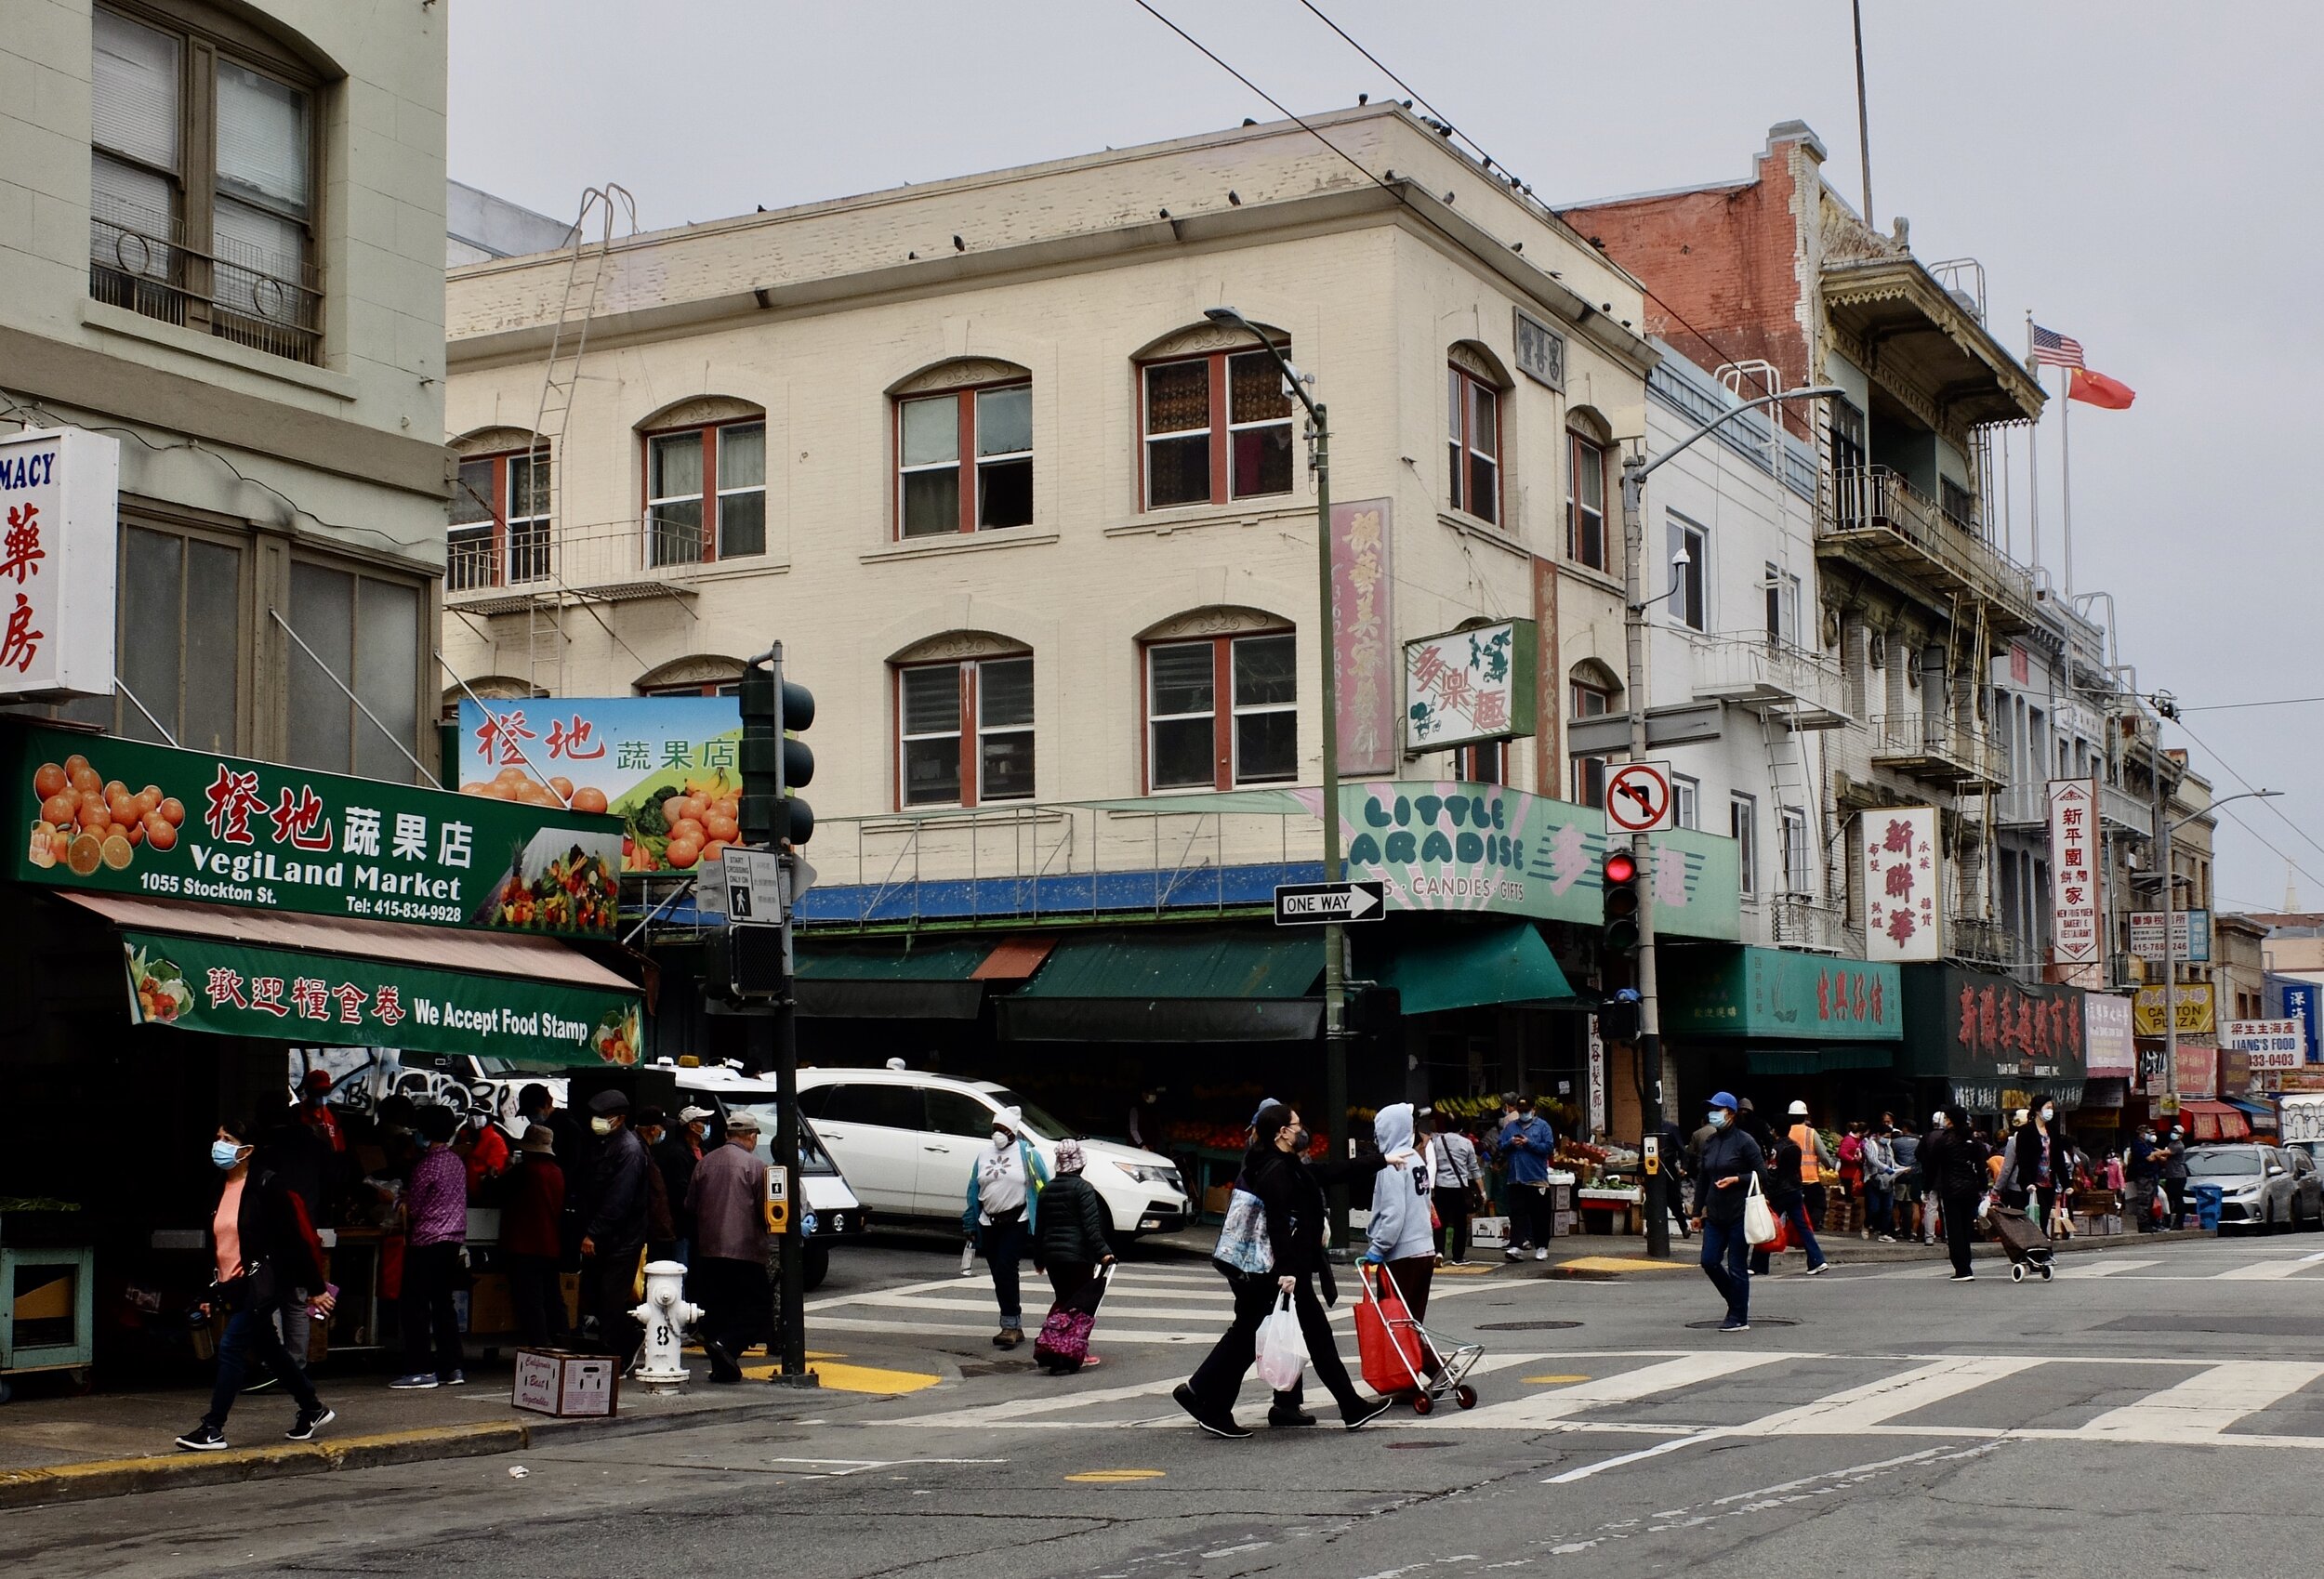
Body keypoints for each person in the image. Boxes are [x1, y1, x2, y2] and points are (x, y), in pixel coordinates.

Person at [1177, 1102, 1393, 1437]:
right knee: (1251, 1337)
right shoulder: (1275, 1169)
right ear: (1282, 1132)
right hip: (1277, 1273)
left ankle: (1350, 1406)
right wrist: (1288, 1272)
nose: (1301, 1128)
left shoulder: (1284, 1163)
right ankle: (1208, 1401)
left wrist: (1381, 1160)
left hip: (1280, 1271)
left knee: (1274, 1336)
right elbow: (1277, 1224)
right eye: (1296, 1124)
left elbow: (1327, 1172)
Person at [175, 1119, 337, 1451]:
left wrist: (316, 1287)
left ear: (246, 1150)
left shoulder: (267, 1186)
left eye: (227, 1139)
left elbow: (294, 1241)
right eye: (217, 1137)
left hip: (264, 1285)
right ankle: (312, 1407)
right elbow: (219, 1245)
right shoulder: (217, 1187)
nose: (218, 1144)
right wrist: (209, 1292)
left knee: (232, 1346)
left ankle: (213, 1427)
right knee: (270, 1350)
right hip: (232, 1285)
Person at [685, 1110, 771, 1384]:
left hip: (709, 1248)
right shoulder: (755, 1166)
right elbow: (766, 1210)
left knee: (720, 1307)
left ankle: (723, 1366)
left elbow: (690, 1205)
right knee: (758, 1307)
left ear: (727, 1135)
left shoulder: (705, 1163)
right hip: (744, 1249)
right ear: (750, 1136)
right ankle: (727, 1346)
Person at [390, 1105, 468, 1388]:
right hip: (452, 1242)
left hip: (425, 1242)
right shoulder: (455, 1162)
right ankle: (453, 1367)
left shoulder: (427, 1165)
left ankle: (420, 1369)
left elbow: (416, 1208)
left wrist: (398, 1200)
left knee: (416, 1306)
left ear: (425, 1131)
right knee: (443, 1304)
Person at [1361, 1103, 1440, 1377]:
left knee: (1397, 1322)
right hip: (1424, 1250)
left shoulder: (1392, 1164)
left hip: (1402, 1254)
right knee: (1411, 1321)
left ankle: (1433, 1370)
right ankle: (1410, 1377)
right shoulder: (1415, 1159)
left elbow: (1393, 1214)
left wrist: (1378, 1247)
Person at [963, 1108, 1049, 1349]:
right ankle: (1013, 1324)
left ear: (1013, 1132)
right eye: (995, 1129)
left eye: (1003, 1130)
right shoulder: (982, 1154)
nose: (998, 1134)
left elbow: (1043, 1187)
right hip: (988, 1222)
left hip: (1017, 1221)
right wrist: (970, 1222)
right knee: (998, 1274)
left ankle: (1010, 1325)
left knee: (1005, 1268)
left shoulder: (1028, 1155)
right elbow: (972, 1190)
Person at [1031, 1138, 1116, 1375]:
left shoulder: (1046, 1190)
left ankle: (1050, 1344)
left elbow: (1040, 1228)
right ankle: (1073, 1349)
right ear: (1079, 1164)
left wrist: (1039, 1258)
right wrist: (1104, 1253)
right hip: (1079, 1256)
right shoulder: (1084, 1188)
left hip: (1053, 1256)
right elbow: (1091, 1227)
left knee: (1062, 1300)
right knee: (1079, 1304)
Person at [580, 1088, 651, 1368]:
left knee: (612, 1300)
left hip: (622, 1239)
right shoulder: (604, 1143)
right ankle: (620, 1345)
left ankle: (619, 1354)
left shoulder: (629, 1150)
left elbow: (618, 1200)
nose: (597, 1121)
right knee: (599, 1298)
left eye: (603, 1117)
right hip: (610, 1237)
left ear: (619, 1119)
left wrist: (593, 1232)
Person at [1688, 1092, 1765, 1334]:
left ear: (1730, 1113)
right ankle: (1737, 1300)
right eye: (1710, 1108)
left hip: (1739, 1213)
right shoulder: (1710, 1143)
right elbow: (1703, 1179)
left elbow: (1762, 1175)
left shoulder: (1745, 1142)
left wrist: (1737, 1179)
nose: (1713, 1113)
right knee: (1709, 1261)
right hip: (1715, 1214)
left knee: (1737, 1265)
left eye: (1717, 1109)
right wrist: (1696, 1212)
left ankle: (1738, 1316)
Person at [502, 1124, 566, 1349]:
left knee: (530, 1297)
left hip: (524, 1242)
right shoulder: (556, 1172)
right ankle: (560, 1335)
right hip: (550, 1242)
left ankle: (540, 1341)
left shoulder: (525, 1171)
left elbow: (497, 1190)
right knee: (551, 1293)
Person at [1750, 1119, 1827, 1276]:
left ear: (1775, 1131)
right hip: (1795, 1190)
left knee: (1768, 1226)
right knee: (1803, 1227)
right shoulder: (1795, 1146)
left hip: (1780, 1193)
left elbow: (1772, 1173)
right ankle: (1817, 1260)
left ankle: (1759, 1264)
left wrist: (1767, 1194)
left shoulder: (1776, 1149)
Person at [1920, 1110, 1987, 1282]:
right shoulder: (1974, 1141)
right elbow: (1980, 1168)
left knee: (1955, 1230)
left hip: (1950, 1188)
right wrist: (1983, 1188)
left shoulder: (1944, 1141)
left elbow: (1932, 1167)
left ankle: (1962, 1268)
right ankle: (1967, 1265)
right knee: (1966, 1228)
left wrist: (1926, 1189)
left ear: (1950, 1121)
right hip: (1970, 1189)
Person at [1494, 1094, 1556, 1261]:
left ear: (1533, 1110)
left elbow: (1548, 1148)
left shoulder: (1543, 1127)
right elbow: (1501, 1146)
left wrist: (1529, 1143)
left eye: (1526, 1110)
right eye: (1521, 1110)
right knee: (1517, 1214)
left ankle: (1542, 1246)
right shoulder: (1511, 1127)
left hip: (1536, 1178)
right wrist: (1511, 1143)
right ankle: (1516, 1245)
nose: (1523, 1113)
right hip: (1516, 1178)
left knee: (1540, 1215)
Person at [2001, 1101, 2070, 1231]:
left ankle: (2042, 1245)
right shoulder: (2025, 1133)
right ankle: (2035, 1245)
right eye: (2048, 1108)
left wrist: (2066, 1184)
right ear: (2038, 1111)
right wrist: (2027, 1182)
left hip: (2049, 1182)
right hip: (2030, 1184)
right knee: (2034, 1216)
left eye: (2051, 1108)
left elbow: (2059, 1159)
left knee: (2043, 1216)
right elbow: (2022, 1161)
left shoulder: (2053, 1131)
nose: (2051, 1111)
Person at [1429, 1109, 1483, 1264]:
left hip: (1440, 1186)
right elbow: (1474, 1169)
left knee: (1440, 1221)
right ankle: (1458, 1257)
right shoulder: (1466, 1143)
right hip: (1460, 1188)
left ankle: (1438, 1251)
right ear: (1461, 1126)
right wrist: (1482, 1191)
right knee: (1460, 1222)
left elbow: (1433, 1164)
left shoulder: (1437, 1141)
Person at [1786, 1100, 1832, 1229]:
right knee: (1819, 1204)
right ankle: (1809, 1228)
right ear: (1806, 1116)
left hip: (1791, 1179)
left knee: (1794, 1208)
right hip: (1809, 1178)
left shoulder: (1786, 1132)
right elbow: (1823, 1154)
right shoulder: (1811, 1133)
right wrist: (1829, 1165)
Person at [1862, 1123, 1898, 1242]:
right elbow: (1873, 1159)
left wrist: (1901, 1168)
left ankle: (1884, 1233)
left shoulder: (1889, 1147)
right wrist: (1885, 1168)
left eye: (1889, 1137)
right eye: (1885, 1137)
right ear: (1878, 1135)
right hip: (1874, 1179)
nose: (1887, 1139)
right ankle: (1866, 1225)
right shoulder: (1870, 1144)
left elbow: (1892, 1162)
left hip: (1887, 1181)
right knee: (1874, 1208)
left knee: (1888, 1208)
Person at [1891, 1121, 1925, 1243]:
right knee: (1915, 1204)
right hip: (1915, 1175)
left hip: (1900, 1175)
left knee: (1896, 1203)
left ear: (1905, 1128)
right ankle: (1914, 1233)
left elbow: (1891, 1157)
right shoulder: (1920, 1142)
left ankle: (1897, 1228)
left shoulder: (1895, 1142)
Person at [2159, 1125, 2189, 1228]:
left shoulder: (2179, 1146)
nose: (2174, 1133)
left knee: (2177, 1199)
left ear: (2181, 1135)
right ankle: (2168, 1221)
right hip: (2170, 1175)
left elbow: (2166, 1153)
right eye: (2173, 1131)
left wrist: (2153, 1151)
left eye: (2177, 1132)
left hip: (2178, 1176)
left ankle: (2179, 1222)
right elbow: (2165, 1158)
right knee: (2169, 1198)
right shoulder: (2171, 1144)